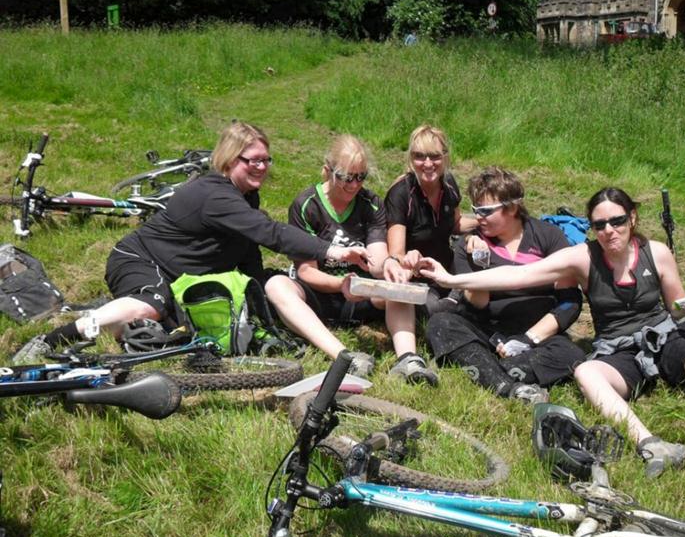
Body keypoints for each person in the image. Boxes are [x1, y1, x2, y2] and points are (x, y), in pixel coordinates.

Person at [419, 187, 685, 482]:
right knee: (586, 372)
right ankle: (652, 445)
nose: (608, 231)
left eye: (616, 221)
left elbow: (675, 308)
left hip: (665, 339)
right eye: (599, 225)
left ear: (632, 218)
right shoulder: (583, 258)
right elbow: (516, 275)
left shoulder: (658, 253)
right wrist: (451, 278)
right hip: (619, 352)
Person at [13, 121, 369, 364]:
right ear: (231, 160)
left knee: (170, 320)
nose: (262, 167)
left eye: (266, 160)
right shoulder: (215, 194)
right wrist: (330, 250)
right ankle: (55, 338)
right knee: (149, 308)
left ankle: (115, 314)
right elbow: (270, 233)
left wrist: (257, 290)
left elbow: (247, 250)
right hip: (141, 261)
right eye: (253, 161)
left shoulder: (245, 195)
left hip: (179, 275)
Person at [265, 135, 438, 384]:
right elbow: (306, 272)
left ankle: (408, 359)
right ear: (328, 171)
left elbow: (376, 259)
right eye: (346, 177)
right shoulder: (306, 206)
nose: (354, 185)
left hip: (363, 292)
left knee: (398, 284)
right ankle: (344, 357)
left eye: (360, 177)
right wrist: (340, 284)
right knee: (276, 285)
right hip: (321, 293)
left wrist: (389, 264)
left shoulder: (371, 204)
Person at [424, 167, 585, 406]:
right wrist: (479, 265)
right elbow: (477, 303)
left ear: (512, 207)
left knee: (571, 353)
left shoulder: (548, 236)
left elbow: (570, 301)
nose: (479, 217)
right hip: (487, 327)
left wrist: (528, 340)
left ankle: (491, 370)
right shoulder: (467, 244)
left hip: (537, 330)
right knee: (441, 324)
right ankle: (508, 384)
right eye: (476, 210)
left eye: (486, 211)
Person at [383, 124, 475, 314]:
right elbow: (396, 254)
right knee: (432, 308)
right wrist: (410, 258)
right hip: (417, 275)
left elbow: (456, 224)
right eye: (419, 156)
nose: (427, 163)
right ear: (410, 159)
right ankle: (455, 302)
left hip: (445, 267)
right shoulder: (401, 194)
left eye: (434, 156)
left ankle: (458, 296)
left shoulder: (448, 183)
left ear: (445, 157)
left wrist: (484, 220)